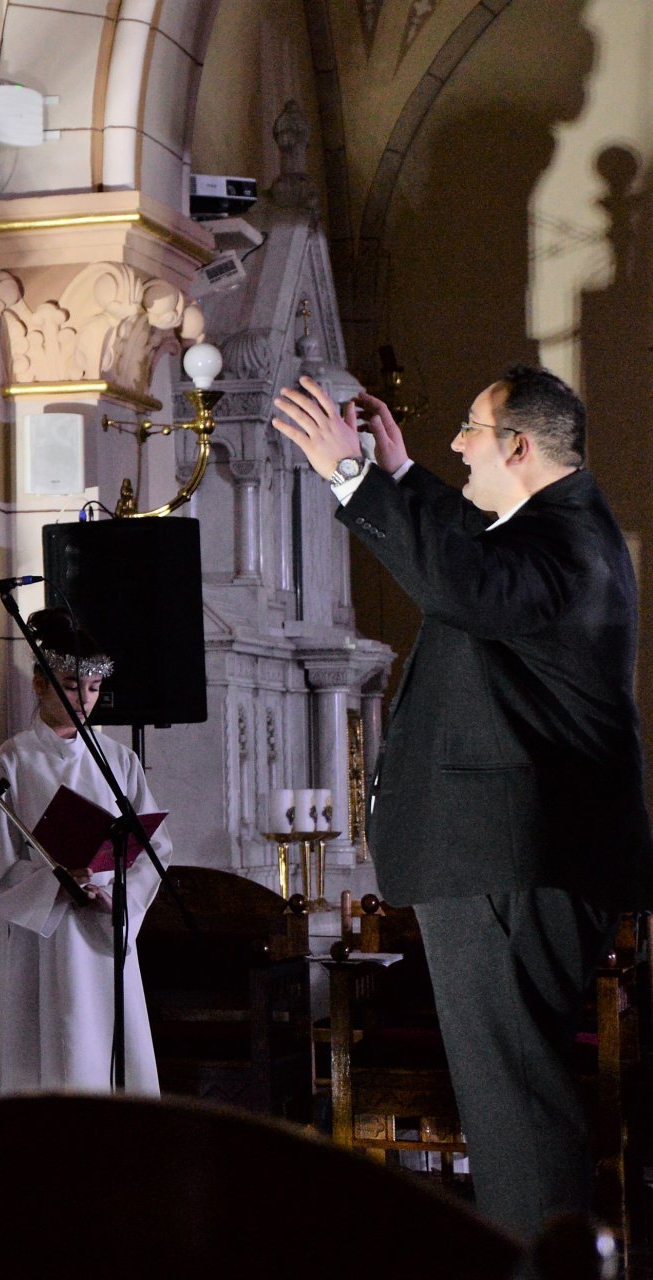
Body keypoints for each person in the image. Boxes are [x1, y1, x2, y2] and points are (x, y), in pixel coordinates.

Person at [271, 366, 653, 1235]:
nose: (453, 444)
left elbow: (465, 583)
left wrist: (351, 478)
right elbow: (476, 560)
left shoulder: (566, 545)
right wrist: (400, 476)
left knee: (516, 1102)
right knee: (512, 1097)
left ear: (518, 445)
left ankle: (541, 1261)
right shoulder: (559, 533)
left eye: (468, 429)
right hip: (509, 860)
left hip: (509, 864)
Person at [0, 608, 167, 1095]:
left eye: (95, 688)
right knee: (51, 1053)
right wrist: (55, 882)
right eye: (71, 684)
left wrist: (117, 898)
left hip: (104, 928)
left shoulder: (119, 759)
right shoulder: (10, 762)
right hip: (44, 935)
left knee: (114, 1057)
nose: (85, 699)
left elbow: (151, 848)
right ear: (40, 684)